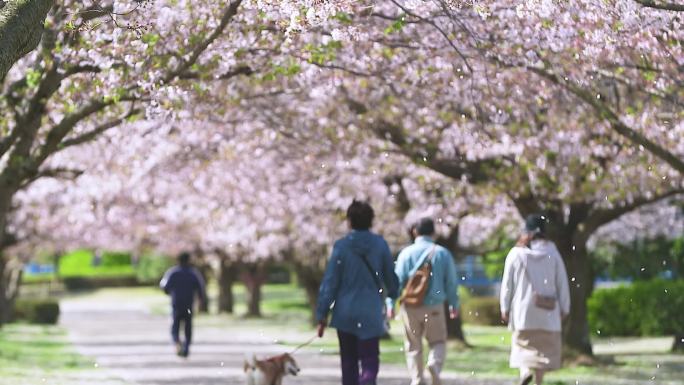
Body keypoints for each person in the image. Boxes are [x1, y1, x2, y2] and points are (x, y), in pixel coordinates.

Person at [316, 199, 399, 385]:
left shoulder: (341, 247)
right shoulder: (380, 245)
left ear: (349, 221)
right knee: (370, 359)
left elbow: (330, 282)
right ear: (371, 221)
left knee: (348, 362)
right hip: (370, 310)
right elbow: (390, 277)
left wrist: (322, 314)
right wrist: (394, 294)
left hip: (345, 312)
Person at [500, 214, 571, 385]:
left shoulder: (515, 254)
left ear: (526, 232)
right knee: (543, 352)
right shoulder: (553, 254)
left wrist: (505, 307)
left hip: (523, 312)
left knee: (523, 347)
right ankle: (538, 382)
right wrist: (565, 307)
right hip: (548, 313)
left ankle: (524, 371)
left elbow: (507, 285)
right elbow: (562, 283)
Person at [388, 217, 460, 385]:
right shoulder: (442, 253)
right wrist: (453, 304)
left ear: (415, 232)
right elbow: (451, 282)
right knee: (438, 341)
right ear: (433, 232)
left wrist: (391, 303)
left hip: (411, 306)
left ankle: (417, 379)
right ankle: (434, 364)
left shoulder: (406, 254)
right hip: (434, 306)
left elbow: (396, 283)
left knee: (413, 345)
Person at [160, 251, 207, 357]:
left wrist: (170, 293)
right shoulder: (193, 273)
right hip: (189, 304)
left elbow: (164, 286)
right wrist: (200, 300)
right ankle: (186, 346)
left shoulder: (172, 272)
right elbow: (201, 288)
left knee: (175, 325)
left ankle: (177, 342)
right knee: (188, 326)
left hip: (176, 303)